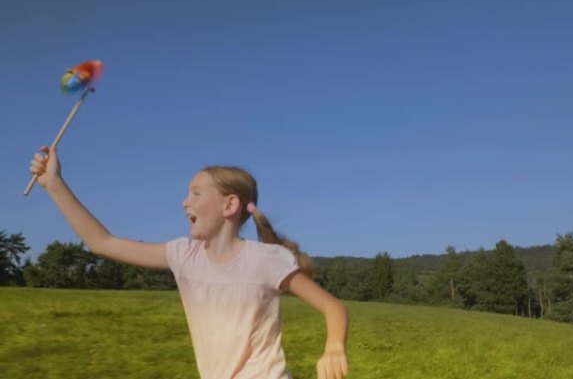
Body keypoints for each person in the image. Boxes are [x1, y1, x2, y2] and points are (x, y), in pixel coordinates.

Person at [29, 146, 349, 379]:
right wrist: (55, 186)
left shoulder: (265, 259)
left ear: (229, 205)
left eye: (196, 193)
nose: (185, 202)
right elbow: (102, 242)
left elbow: (333, 307)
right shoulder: (184, 255)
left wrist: (333, 346)